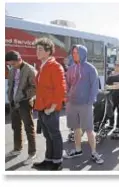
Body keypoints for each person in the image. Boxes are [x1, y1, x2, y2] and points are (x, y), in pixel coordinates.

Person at [63, 45, 104, 164]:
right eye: (73, 52)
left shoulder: (90, 68)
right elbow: (68, 85)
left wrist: (90, 102)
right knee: (76, 128)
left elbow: (95, 86)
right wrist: (67, 98)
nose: (74, 54)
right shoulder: (71, 68)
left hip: (85, 104)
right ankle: (77, 150)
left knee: (89, 129)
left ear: (82, 53)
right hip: (72, 103)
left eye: (77, 52)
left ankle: (94, 152)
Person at [32, 38, 66, 170]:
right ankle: (48, 159)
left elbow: (61, 89)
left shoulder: (55, 66)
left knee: (54, 135)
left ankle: (57, 162)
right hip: (42, 107)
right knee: (48, 136)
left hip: (50, 109)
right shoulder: (43, 66)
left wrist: (52, 108)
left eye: (40, 49)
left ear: (48, 51)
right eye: (37, 49)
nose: (37, 52)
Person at [5, 50, 37, 165]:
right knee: (15, 127)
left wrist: (23, 95)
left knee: (29, 128)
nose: (11, 67)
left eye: (13, 64)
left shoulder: (30, 70)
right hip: (14, 102)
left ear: (19, 59)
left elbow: (35, 88)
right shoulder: (13, 69)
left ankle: (32, 153)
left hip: (25, 102)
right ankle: (17, 149)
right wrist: (10, 96)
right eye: (9, 65)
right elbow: (11, 84)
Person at [105, 61, 119, 129]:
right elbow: (107, 83)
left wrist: (116, 84)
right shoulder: (111, 74)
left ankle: (118, 126)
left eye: (118, 65)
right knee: (111, 110)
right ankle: (111, 124)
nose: (117, 67)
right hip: (112, 95)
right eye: (116, 65)